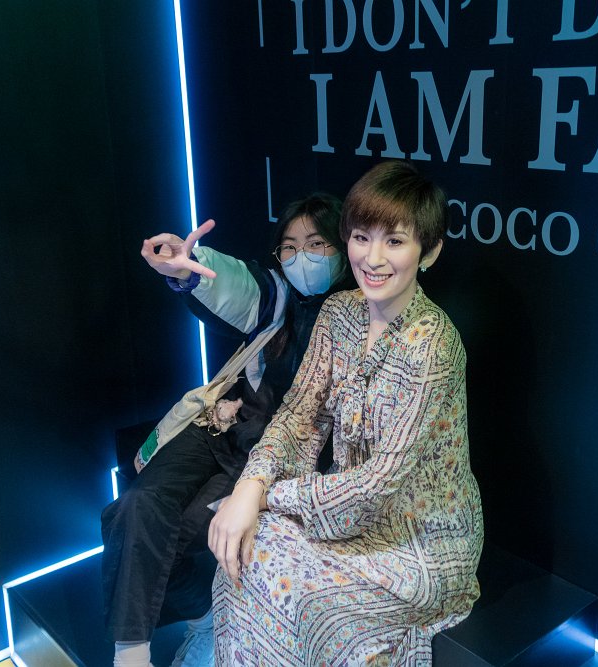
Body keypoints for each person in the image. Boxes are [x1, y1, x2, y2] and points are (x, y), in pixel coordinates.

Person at [208, 161, 484, 665]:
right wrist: (250, 484)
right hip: (340, 511)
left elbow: (380, 483)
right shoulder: (338, 314)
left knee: (308, 605)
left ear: (429, 252)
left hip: (419, 540)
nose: (372, 258)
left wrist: (266, 495)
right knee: (243, 554)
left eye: (394, 241)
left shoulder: (435, 347)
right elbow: (298, 415)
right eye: (361, 237)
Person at [101, 193, 349, 667]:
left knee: (165, 539)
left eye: (316, 244)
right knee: (133, 509)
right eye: (290, 246)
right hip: (224, 424)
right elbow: (240, 285)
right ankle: (131, 655)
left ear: (342, 247)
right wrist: (188, 269)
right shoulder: (279, 296)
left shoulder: (358, 317)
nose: (302, 257)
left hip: (272, 460)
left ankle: (205, 616)